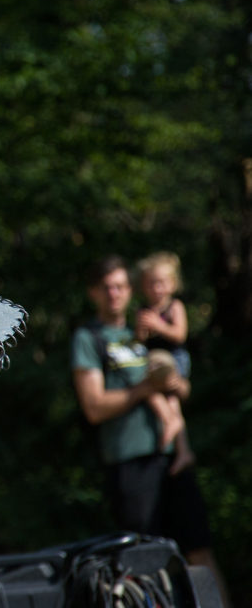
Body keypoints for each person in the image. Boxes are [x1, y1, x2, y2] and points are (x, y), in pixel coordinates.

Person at [71, 255, 229, 605]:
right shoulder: (89, 338)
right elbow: (94, 406)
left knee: (198, 548)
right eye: (107, 287)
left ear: (131, 290)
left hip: (172, 458)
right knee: (143, 560)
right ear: (94, 293)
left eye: (121, 286)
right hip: (130, 462)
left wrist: (175, 384)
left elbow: (182, 387)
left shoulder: (145, 333)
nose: (115, 294)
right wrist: (143, 390)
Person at [135, 251, 195, 476]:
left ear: (172, 284)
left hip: (174, 360)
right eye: (151, 283)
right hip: (151, 362)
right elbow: (139, 340)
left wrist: (158, 326)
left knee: (171, 398)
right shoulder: (143, 310)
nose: (156, 288)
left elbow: (180, 335)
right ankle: (180, 445)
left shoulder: (175, 307)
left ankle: (180, 444)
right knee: (149, 389)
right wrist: (142, 328)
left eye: (160, 283)